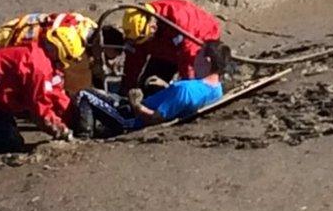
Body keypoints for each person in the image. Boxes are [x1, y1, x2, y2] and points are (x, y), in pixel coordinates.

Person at [73, 40, 232, 138]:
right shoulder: (217, 91)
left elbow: (156, 118)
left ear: (207, 60)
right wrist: (167, 88)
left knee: (84, 94)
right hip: (146, 107)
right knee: (104, 95)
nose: (194, 59)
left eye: (198, 55)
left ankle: (84, 136)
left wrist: (137, 105)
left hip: (131, 120)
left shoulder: (185, 89)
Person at [121, 0, 221, 95]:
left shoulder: (179, 20)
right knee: (149, 89)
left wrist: (188, 91)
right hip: (167, 47)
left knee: (194, 89)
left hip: (200, 42)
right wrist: (127, 87)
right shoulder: (139, 30)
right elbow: (134, 58)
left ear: (153, 27)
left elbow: (188, 57)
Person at [0, 11, 97, 52]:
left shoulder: (84, 22)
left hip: (8, 30)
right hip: (2, 47)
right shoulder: (73, 51)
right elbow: (77, 89)